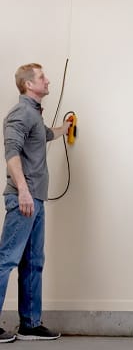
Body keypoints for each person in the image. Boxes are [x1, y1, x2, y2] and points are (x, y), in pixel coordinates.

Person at [0, 63, 71, 342]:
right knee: (6, 259)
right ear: (29, 84)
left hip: (35, 200)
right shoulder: (20, 114)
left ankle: (30, 324)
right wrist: (23, 191)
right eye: (42, 77)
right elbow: (12, 152)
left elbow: (42, 135)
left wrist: (63, 129)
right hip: (24, 199)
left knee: (33, 262)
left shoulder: (33, 116)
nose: (48, 80)